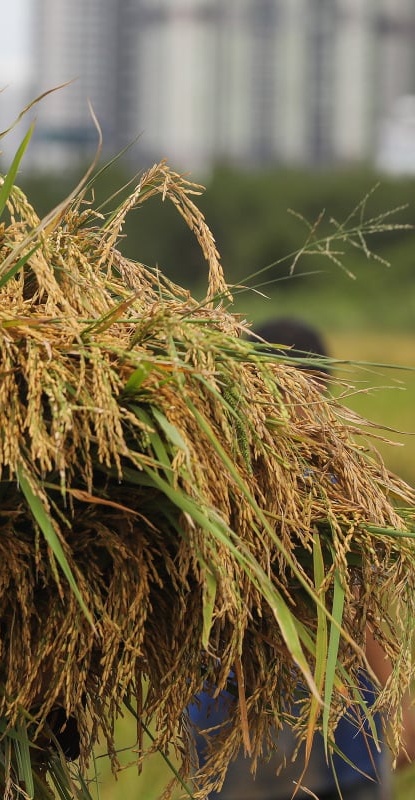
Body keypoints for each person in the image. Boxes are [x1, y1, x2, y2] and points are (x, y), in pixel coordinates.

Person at [187, 316, 411, 800]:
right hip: (304, 740)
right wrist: (398, 713)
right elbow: (357, 617)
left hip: (255, 737)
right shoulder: (317, 486)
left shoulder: (199, 479)